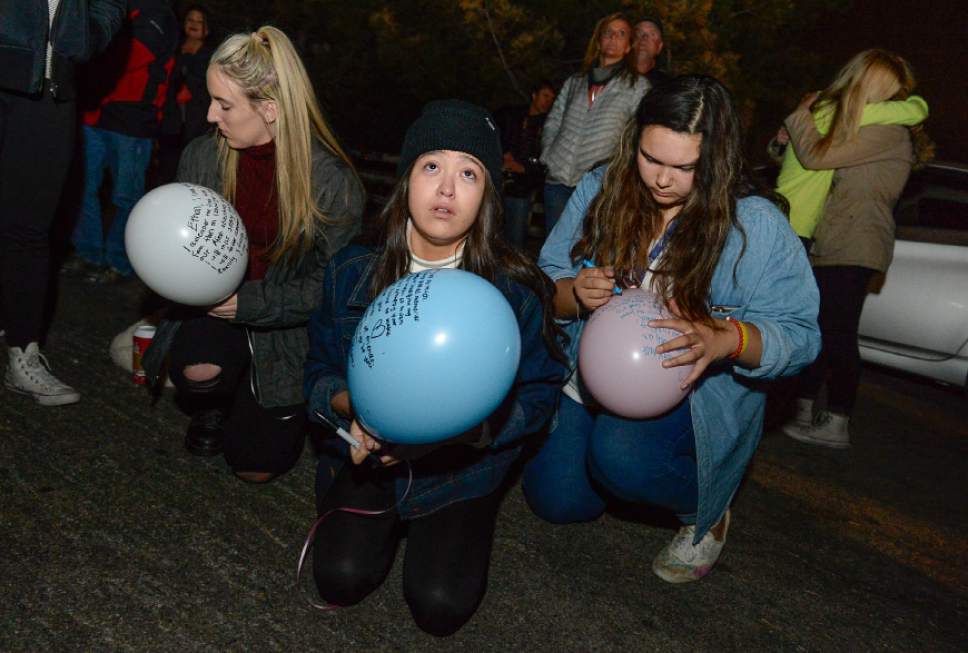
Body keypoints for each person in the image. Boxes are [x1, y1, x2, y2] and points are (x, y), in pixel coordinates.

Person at [524, 76, 821, 584]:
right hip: (586, 381)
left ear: (717, 160)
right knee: (557, 501)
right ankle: (610, 467)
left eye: (685, 167)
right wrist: (574, 292)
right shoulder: (601, 188)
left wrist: (726, 338)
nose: (662, 180)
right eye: (650, 158)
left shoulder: (755, 225)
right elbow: (545, 279)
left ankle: (703, 505)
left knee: (621, 457)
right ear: (633, 139)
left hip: (689, 395)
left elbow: (801, 336)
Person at [304, 100, 566, 636]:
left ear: (486, 195)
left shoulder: (514, 293)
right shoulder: (351, 272)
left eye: (468, 173)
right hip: (370, 462)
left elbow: (541, 392)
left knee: (440, 608)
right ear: (406, 181)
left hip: (459, 473)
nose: (447, 189)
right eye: (432, 166)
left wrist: (478, 430)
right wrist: (353, 410)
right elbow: (317, 373)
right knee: (339, 578)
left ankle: (460, 523)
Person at [141, 26, 365, 481]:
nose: (209, 114)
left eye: (224, 104)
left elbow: (329, 289)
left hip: (285, 323)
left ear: (270, 109)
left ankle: (255, 392)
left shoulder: (332, 184)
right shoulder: (203, 157)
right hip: (212, 307)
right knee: (199, 371)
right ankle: (218, 402)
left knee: (256, 468)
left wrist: (250, 305)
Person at [779, 50, 932, 449]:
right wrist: (786, 140)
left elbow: (817, 155)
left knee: (838, 332)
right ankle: (805, 406)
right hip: (838, 235)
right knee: (821, 326)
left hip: (857, 239)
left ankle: (838, 421)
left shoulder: (885, 132)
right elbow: (812, 159)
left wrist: (798, 117)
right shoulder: (866, 123)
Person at [0, 0, 126, 406]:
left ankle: (23, 352)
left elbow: (97, 24)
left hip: (49, 95)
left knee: (30, 229)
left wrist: (84, 22)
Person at [64, 0, 178, 284]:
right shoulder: (112, 7)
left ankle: (120, 260)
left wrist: (85, 49)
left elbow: (125, 58)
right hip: (95, 114)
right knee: (83, 189)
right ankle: (89, 252)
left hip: (133, 122)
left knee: (126, 197)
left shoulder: (158, 15)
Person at [540, 12, 650, 235]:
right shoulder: (576, 81)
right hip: (558, 179)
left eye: (621, 34)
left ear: (629, 46)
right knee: (553, 251)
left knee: (587, 249)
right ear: (599, 40)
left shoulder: (638, 86)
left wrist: (617, 170)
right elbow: (554, 120)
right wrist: (548, 155)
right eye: (608, 32)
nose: (613, 38)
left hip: (598, 183)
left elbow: (638, 134)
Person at [155, 4, 215, 186]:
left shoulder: (212, 56)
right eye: (190, 20)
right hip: (170, 122)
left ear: (207, 28)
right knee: (167, 170)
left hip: (198, 124)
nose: (194, 24)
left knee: (193, 172)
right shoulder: (172, 48)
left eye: (200, 21)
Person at [493, 80, 556, 249]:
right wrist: (504, 154)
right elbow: (493, 132)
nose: (547, 101)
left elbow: (547, 161)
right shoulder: (511, 114)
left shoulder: (548, 126)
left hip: (521, 189)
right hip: (496, 183)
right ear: (534, 95)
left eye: (551, 98)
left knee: (515, 240)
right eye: (545, 96)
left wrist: (523, 169)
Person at [632, 17, 670, 87]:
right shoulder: (612, 75)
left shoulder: (667, 86)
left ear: (659, 47)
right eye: (639, 33)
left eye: (652, 34)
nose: (644, 38)